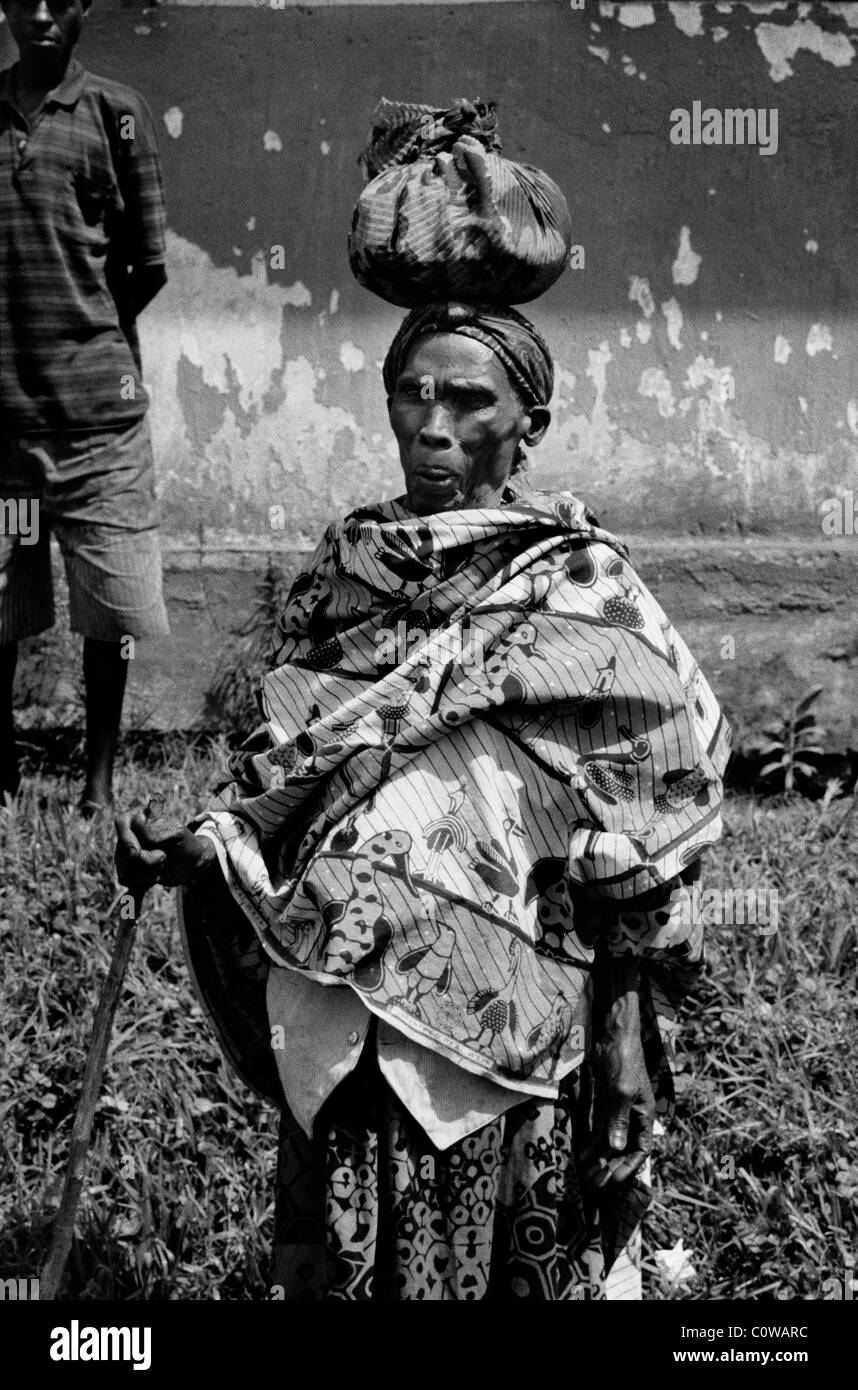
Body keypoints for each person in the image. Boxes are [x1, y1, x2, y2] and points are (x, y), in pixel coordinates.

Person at [116, 301, 730, 1300]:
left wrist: (623, 1035)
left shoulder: (582, 585)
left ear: (529, 423)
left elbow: (642, 836)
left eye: (469, 398)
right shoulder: (347, 571)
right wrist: (211, 838)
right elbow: (295, 769)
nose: (432, 422)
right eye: (413, 392)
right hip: (345, 987)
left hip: (524, 1005)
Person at [0, 0, 169, 811]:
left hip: (98, 435)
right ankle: (2, 767)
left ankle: (97, 783)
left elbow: (149, 260)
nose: (40, 13)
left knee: (110, 606)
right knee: (4, 595)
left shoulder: (116, 113)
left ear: (83, 10)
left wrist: (89, 334)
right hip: (8, 443)